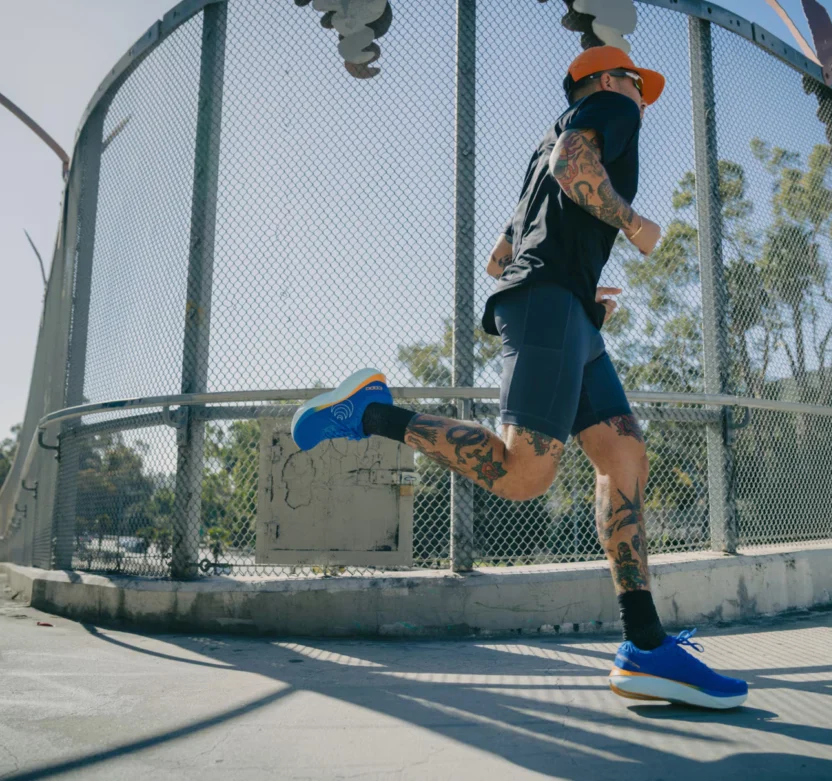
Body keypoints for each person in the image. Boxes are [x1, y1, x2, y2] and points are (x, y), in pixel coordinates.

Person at [292, 46, 747, 709]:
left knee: (623, 454)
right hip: (550, 306)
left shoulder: (543, 145)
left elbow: (502, 255)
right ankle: (370, 412)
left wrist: (579, 292)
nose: (641, 100)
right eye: (635, 84)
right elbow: (572, 169)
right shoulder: (608, 110)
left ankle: (645, 646)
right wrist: (633, 223)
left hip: (564, 311)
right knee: (522, 474)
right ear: (605, 80)